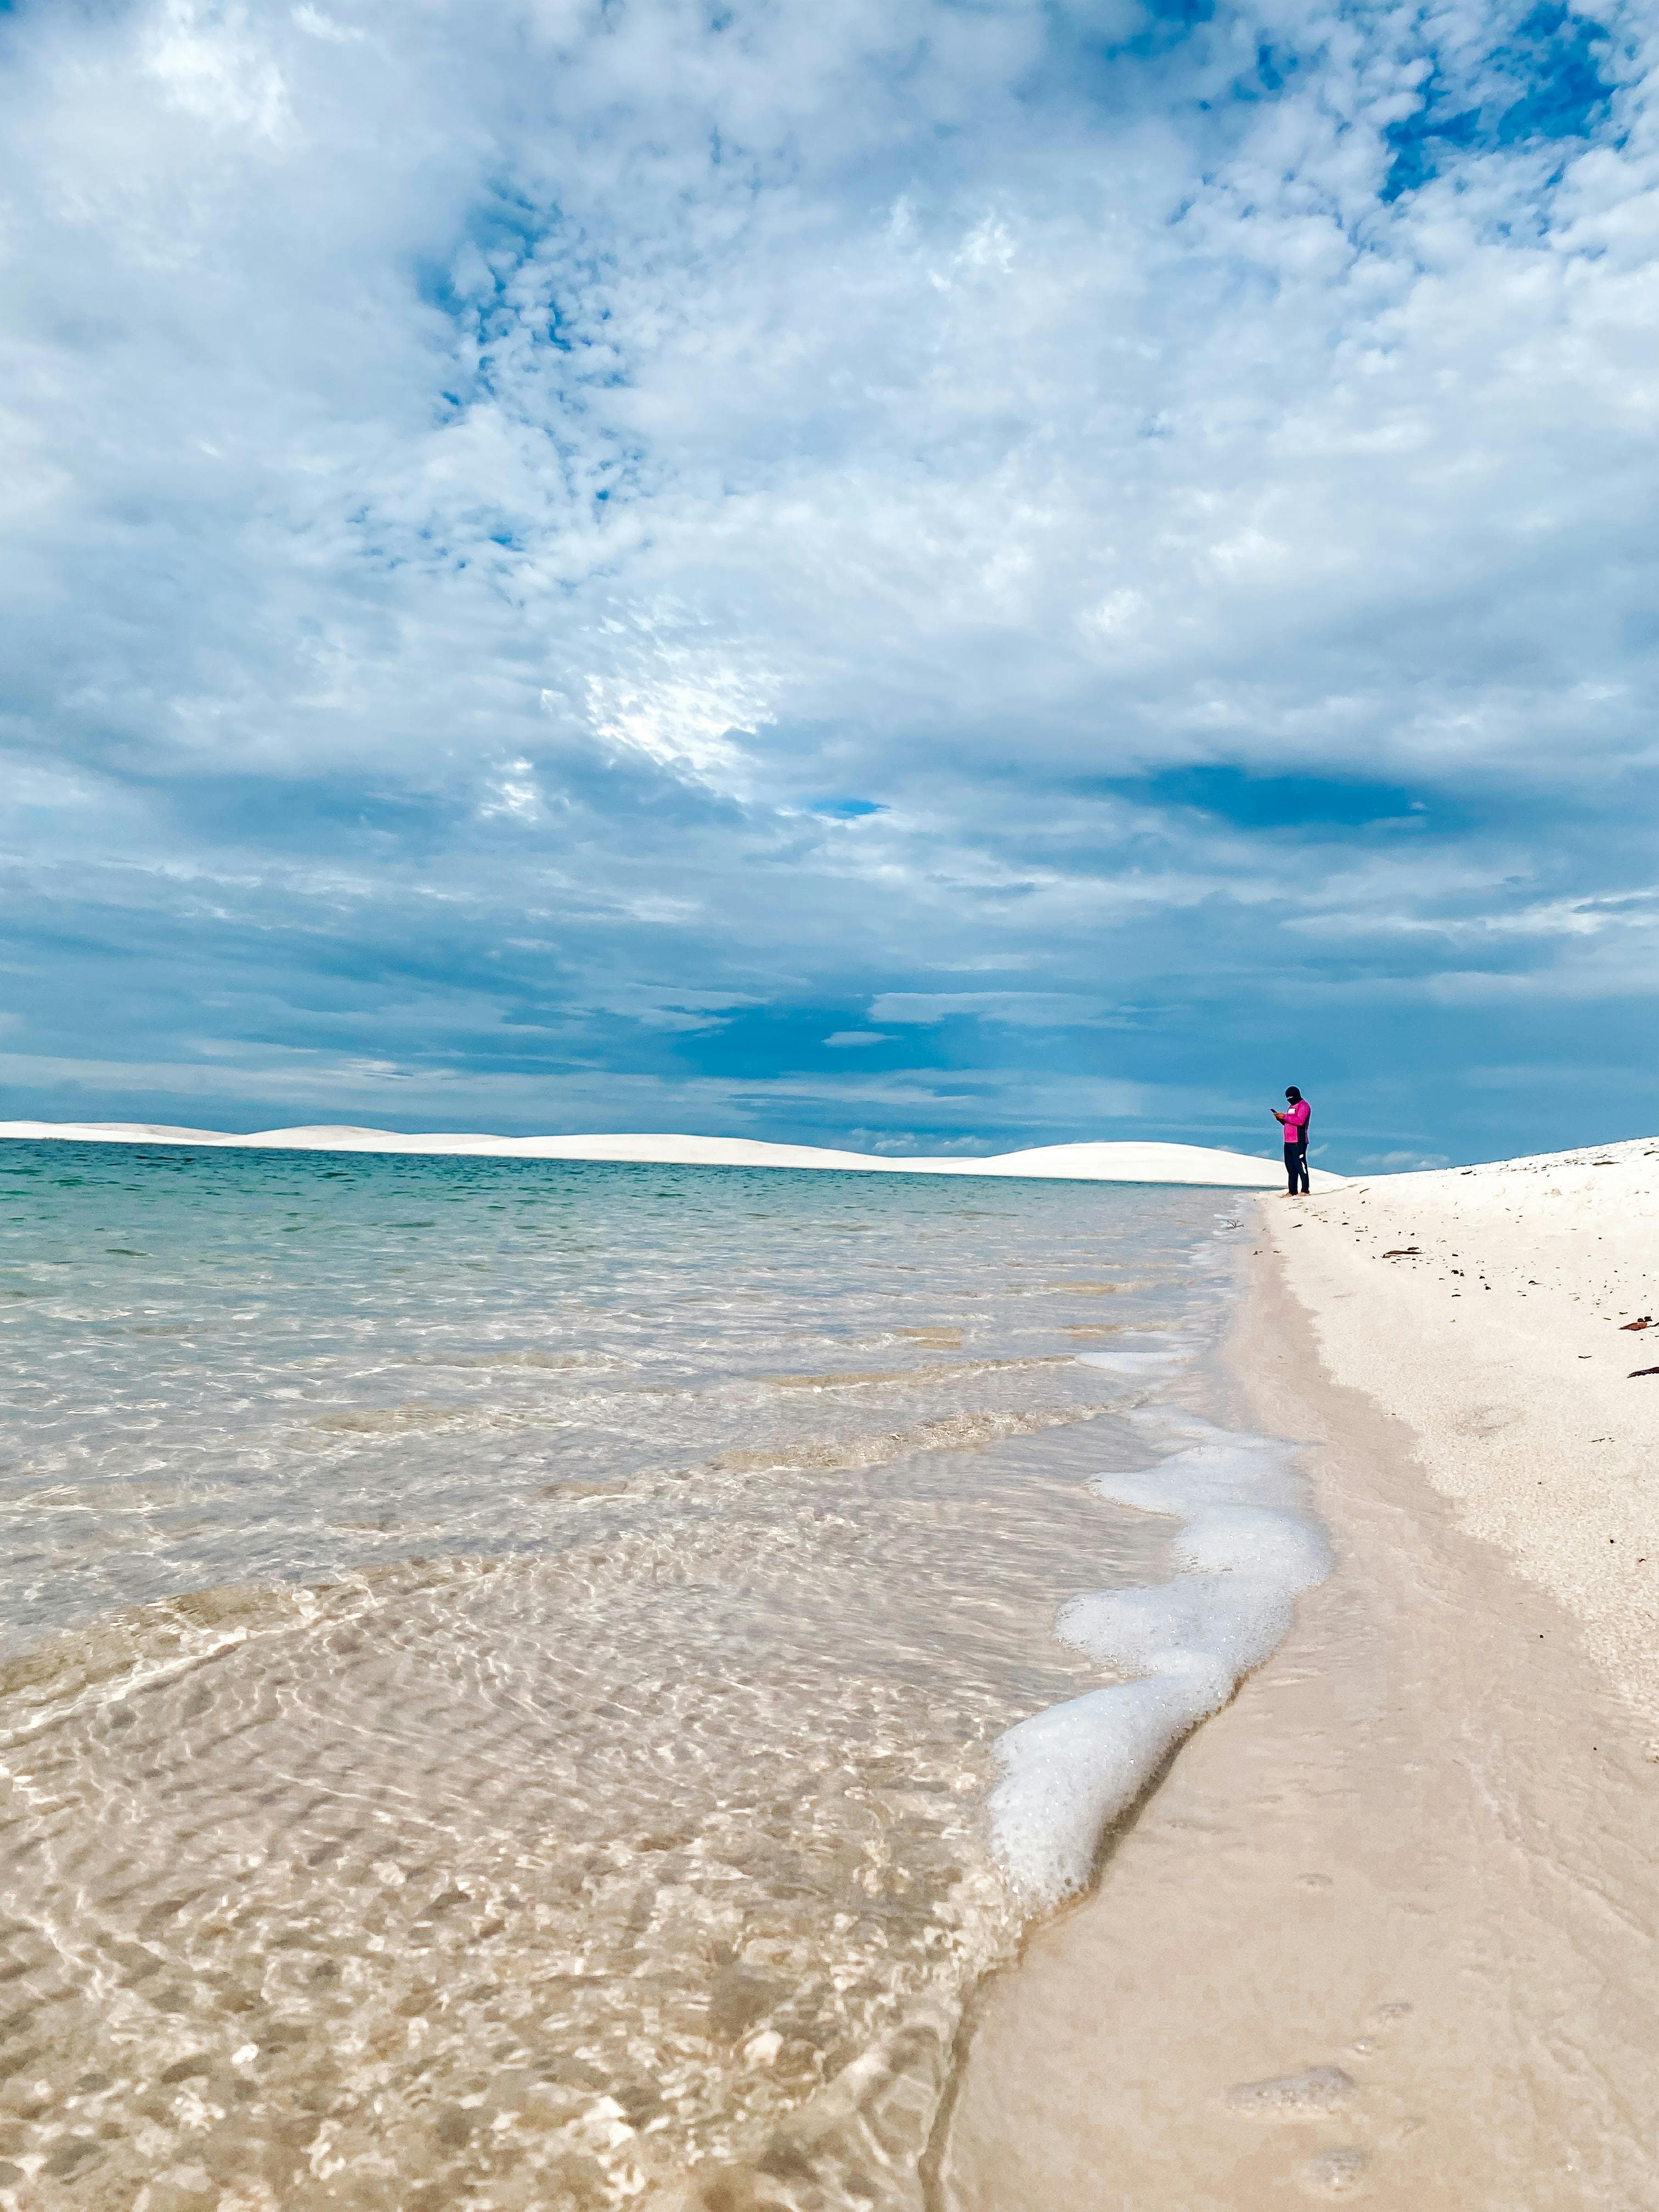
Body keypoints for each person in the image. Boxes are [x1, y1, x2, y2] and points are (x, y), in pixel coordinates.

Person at [1272, 1086, 1310, 1195]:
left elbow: (1300, 1121)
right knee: (1290, 1166)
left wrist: (1284, 1117)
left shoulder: (1304, 1106)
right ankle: (1292, 1191)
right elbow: (1289, 1122)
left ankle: (1305, 1190)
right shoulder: (1291, 1107)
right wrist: (1281, 1119)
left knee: (1300, 1165)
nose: (1290, 1100)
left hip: (1299, 1140)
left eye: (1291, 1097)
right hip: (1288, 1141)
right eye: (1288, 1098)